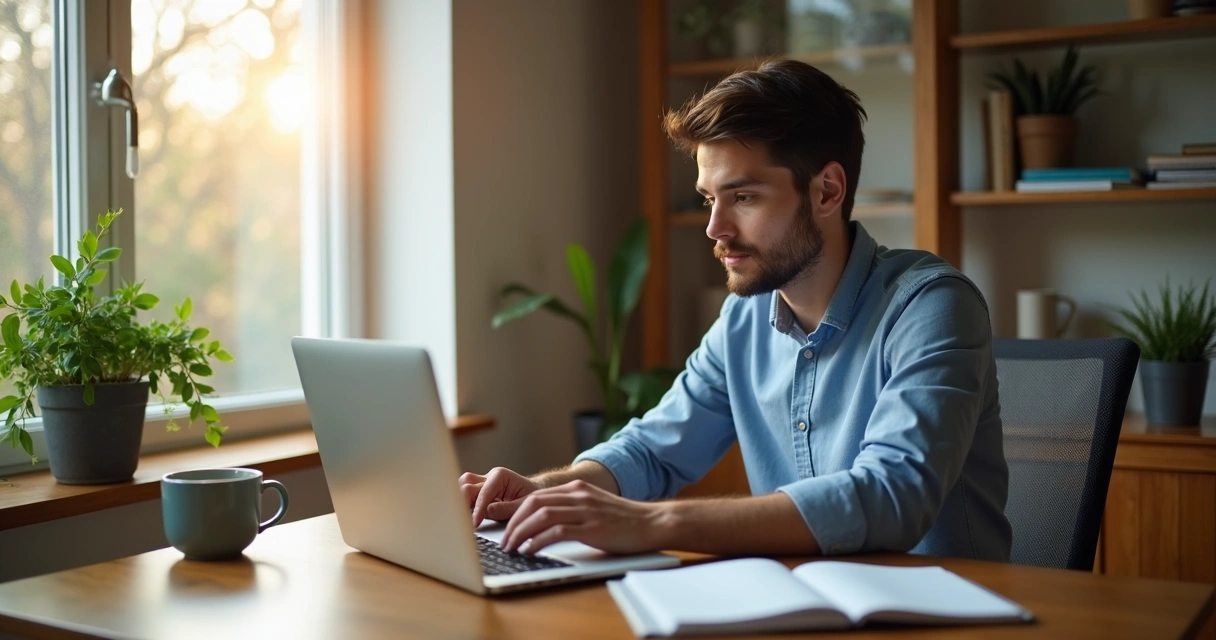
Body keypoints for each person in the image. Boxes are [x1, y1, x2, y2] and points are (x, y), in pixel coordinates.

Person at [460, 59, 1011, 561]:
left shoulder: (932, 306)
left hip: (947, 614)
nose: (715, 229)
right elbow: (654, 450)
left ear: (827, 191)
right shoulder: (744, 319)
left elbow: (892, 498)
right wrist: (548, 492)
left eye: (743, 197)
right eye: (708, 198)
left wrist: (653, 523)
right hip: (804, 613)